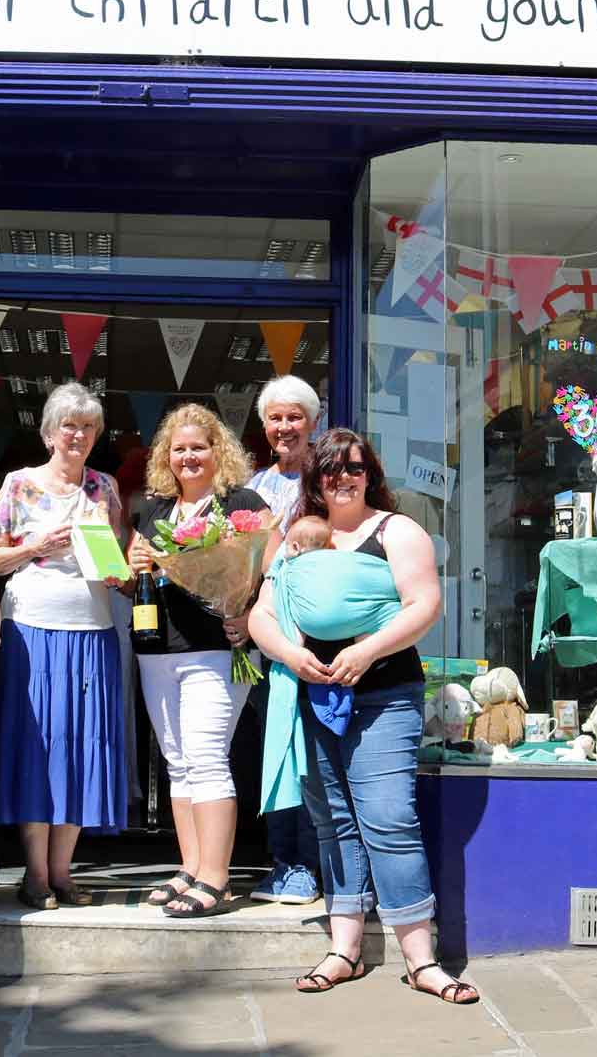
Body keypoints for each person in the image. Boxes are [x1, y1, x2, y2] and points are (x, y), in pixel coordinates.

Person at [248, 429, 479, 1004]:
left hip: (383, 694)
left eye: (353, 468)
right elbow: (262, 614)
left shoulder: (396, 531)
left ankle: (420, 960)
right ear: (314, 478)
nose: (342, 479)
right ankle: (343, 949)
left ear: (369, 472)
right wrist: (290, 654)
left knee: (388, 818)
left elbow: (424, 605)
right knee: (333, 824)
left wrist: (366, 650)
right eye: (329, 470)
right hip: (314, 694)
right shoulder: (295, 536)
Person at [0, 381, 128, 909]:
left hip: (92, 633)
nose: (78, 434)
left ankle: (64, 872)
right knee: (38, 748)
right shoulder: (19, 484)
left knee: (81, 750)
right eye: (69, 425)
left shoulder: (105, 488)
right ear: (49, 433)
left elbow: (121, 564)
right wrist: (36, 546)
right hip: (30, 633)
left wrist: (120, 574)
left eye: (88, 426)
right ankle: (35, 873)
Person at [125, 403, 267, 918]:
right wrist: (133, 562)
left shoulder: (242, 504)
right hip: (158, 649)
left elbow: (266, 569)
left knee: (207, 759)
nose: (188, 457)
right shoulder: (155, 508)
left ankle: (217, 877)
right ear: (167, 455)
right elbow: (128, 573)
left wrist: (249, 615)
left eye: (198, 447)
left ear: (217, 452)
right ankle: (191, 866)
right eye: (178, 448)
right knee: (178, 763)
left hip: (215, 648)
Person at [245, 375, 323, 905]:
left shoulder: (331, 478)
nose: (284, 426)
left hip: (322, 639)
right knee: (277, 752)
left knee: (317, 756)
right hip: (270, 641)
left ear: (312, 421)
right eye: (275, 417)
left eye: (294, 416)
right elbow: (243, 566)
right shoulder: (252, 488)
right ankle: (284, 862)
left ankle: (316, 864)